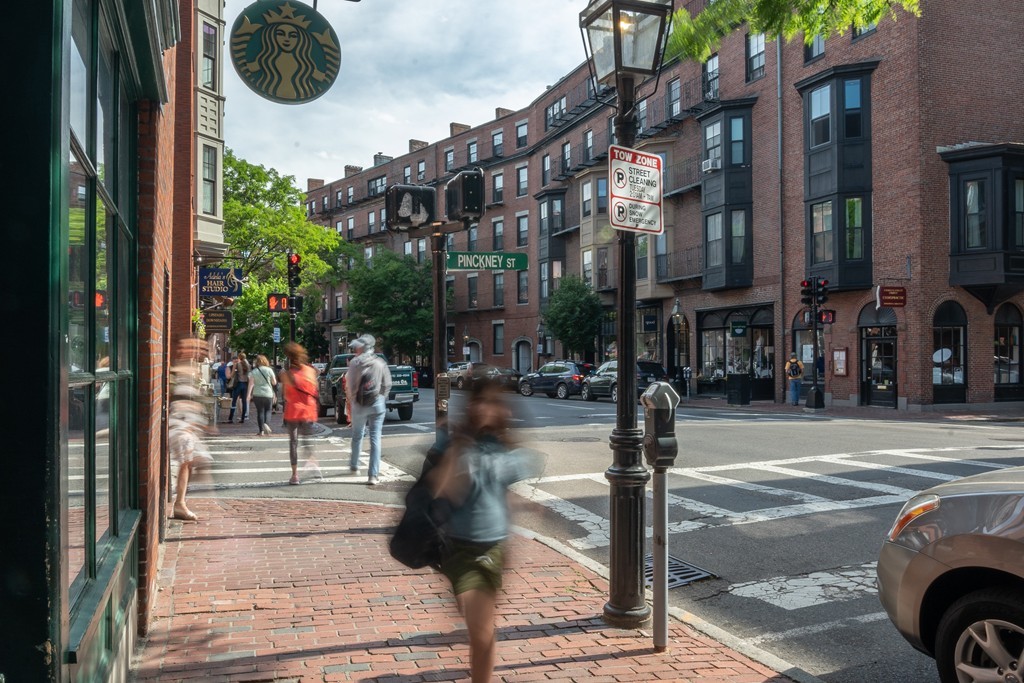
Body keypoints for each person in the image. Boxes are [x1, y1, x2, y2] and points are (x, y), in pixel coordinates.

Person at [428, 376, 543, 683]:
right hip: (454, 544)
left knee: (480, 629)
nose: (484, 407)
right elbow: (443, 491)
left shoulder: (503, 448)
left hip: (489, 546)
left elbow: (505, 497)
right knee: (473, 618)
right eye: (479, 400)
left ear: (502, 409)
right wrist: (459, 447)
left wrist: (510, 542)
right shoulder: (457, 443)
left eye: (492, 402)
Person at [168, 338, 215, 521]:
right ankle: (180, 504)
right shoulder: (177, 369)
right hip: (179, 424)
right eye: (192, 347)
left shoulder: (190, 369)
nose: (198, 350)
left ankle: (181, 501)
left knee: (193, 462)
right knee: (188, 462)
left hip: (187, 424)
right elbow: (174, 398)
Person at [346, 334, 391, 485]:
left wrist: (354, 400)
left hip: (359, 405)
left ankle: (354, 464)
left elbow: (350, 385)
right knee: (375, 438)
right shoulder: (380, 363)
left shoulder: (354, 363)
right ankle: (373, 475)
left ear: (361, 347)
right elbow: (387, 383)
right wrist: (381, 397)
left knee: (357, 435)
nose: (355, 348)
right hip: (377, 404)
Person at [279, 341, 319, 485]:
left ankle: (295, 475)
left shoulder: (287, 375)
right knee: (307, 439)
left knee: (293, 442)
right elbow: (315, 390)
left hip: (293, 411)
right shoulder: (311, 371)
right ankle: (312, 462)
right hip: (308, 409)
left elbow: (285, 395)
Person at [247, 354, 277, 436]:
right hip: (268, 393)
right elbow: (274, 382)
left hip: (257, 393)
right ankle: (266, 424)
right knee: (268, 410)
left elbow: (251, 384)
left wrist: (248, 395)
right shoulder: (269, 370)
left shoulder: (254, 371)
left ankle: (261, 431)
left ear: (257, 362)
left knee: (260, 412)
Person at [228, 352, 251, 423]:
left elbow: (231, 375)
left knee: (234, 401)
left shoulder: (237, 364)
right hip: (245, 384)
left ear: (239, 357)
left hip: (238, 384)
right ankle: (243, 418)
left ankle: (231, 418)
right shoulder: (248, 365)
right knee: (244, 402)